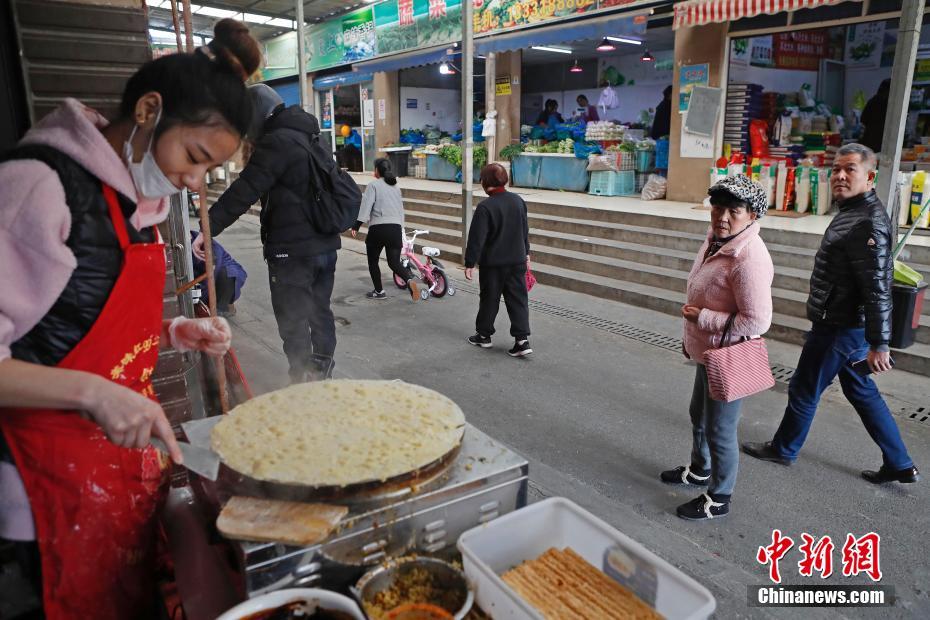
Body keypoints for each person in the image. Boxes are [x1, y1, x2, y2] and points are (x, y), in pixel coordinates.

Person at [0, 18, 258, 618]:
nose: (194, 182)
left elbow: (71, 318)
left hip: (119, 469)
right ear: (148, 110)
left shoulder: (138, 198)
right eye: (193, 158)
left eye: (208, 172)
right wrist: (93, 393)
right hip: (42, 490)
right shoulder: (35, 189)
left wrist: (175, 332)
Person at [743, 143, 920, 485]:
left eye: (849, 169)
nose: (839, 176)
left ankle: (784, 449)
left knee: (804, 387)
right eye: (836, 169)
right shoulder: (855, 212)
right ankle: (899, 462)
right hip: (846, 323)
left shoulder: (866, 222)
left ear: (869, 177)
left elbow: (878, 286)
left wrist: (880, 343)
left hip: (839, 326)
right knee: (862, 392)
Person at [196, 83, 354, 384]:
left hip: (292, 252)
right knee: (320, 310)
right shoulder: (311, 137)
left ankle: (301, 376)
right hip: (324, 249)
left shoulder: (277, 142)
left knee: (292, 318)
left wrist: (207, 228)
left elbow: (244, 190)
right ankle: (322, 369)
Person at [662, 176, 774, 521]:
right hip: (707, 352)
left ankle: (719, 496)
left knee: (720, 429)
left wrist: (705, 318)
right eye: (718, 207)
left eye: (734, 210)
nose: (722, 216)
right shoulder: (716, 239)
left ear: (752, 215)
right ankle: (699, 470)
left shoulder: (748, 256)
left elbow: (757, 322)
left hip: (728, 356)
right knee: (699, 415)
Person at [464, 164, 532, 357]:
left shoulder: (486, 207)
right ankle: (522, 340)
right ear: (505, 181)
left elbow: (477, 238)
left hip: (493, 264)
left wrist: (470, 263)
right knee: (518, 300)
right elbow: (524, 230)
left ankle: (484, 335)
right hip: (517, 261)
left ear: (485, 183)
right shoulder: (518, 201)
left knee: (489, 299)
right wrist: (526, 253)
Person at [350, 158, 419, 301]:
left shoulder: (373, 185)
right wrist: (401, 228)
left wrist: (356, 225)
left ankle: (379, 291)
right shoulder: (396, 188)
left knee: (373, 261)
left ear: (377, 171)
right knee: (394, 263)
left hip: (378, 229)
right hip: (395, 228)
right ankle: (408, 279)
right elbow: (401, 210)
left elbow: (366, 206)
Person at [190, 230, 248, 316]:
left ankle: (224, 306)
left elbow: (210, 275)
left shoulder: (205, 245)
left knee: (227, 275)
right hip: (205, 277)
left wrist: (198, 300)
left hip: (225, 274)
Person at [860, 79, 890, 154]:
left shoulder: (872, 101)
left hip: (869, 141)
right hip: (885, 142)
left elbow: (863, 120)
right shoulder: (891, 104)